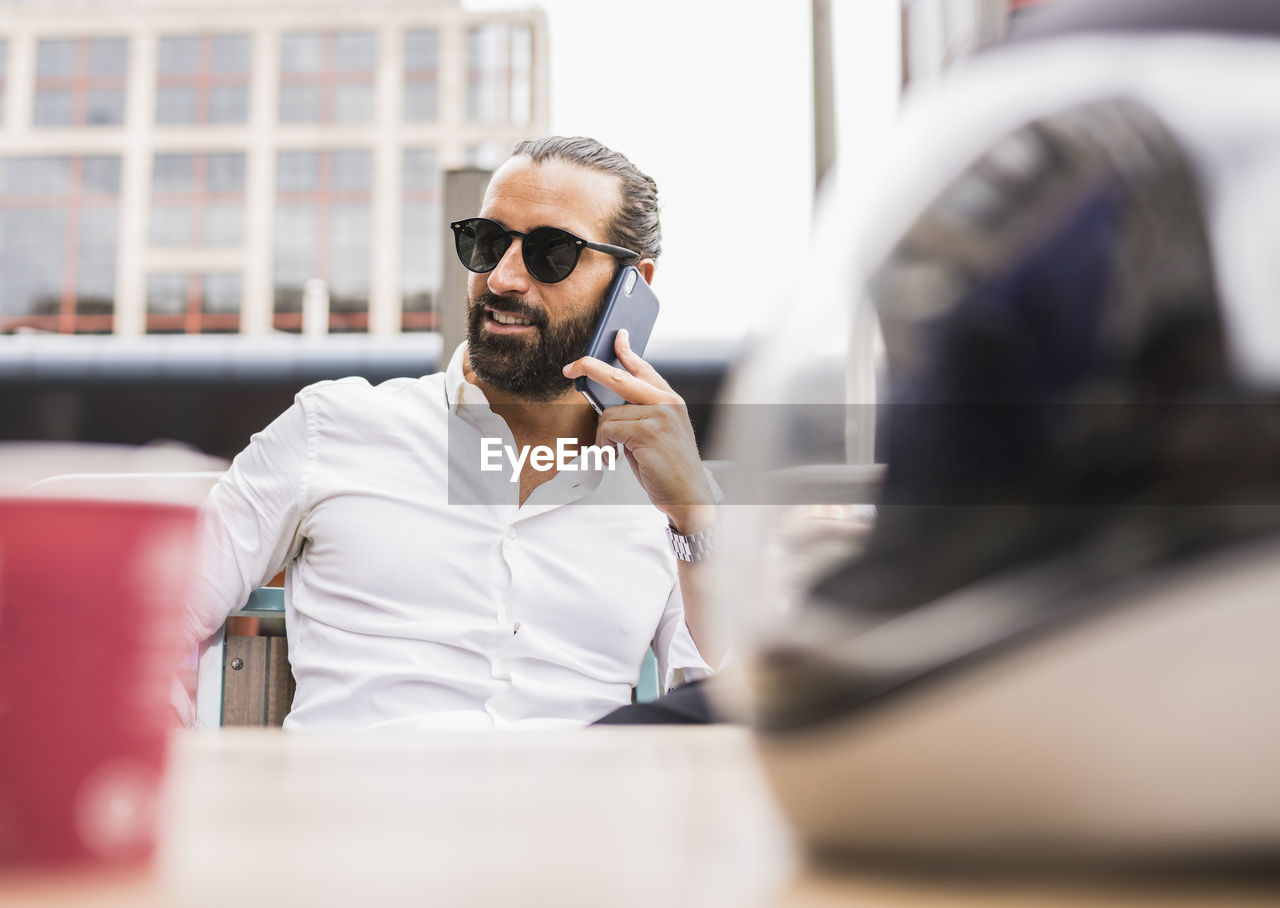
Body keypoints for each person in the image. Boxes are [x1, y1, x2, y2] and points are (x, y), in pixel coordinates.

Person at [177, 136, 723, 730]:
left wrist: (694, 519)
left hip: (568, 813)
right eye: (488, 243)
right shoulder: (333, 429)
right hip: (352, 811)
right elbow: (150, 616)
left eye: (551, 253)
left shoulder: (666, 498)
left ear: (633, 284)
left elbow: (727, 711)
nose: (503, 278)